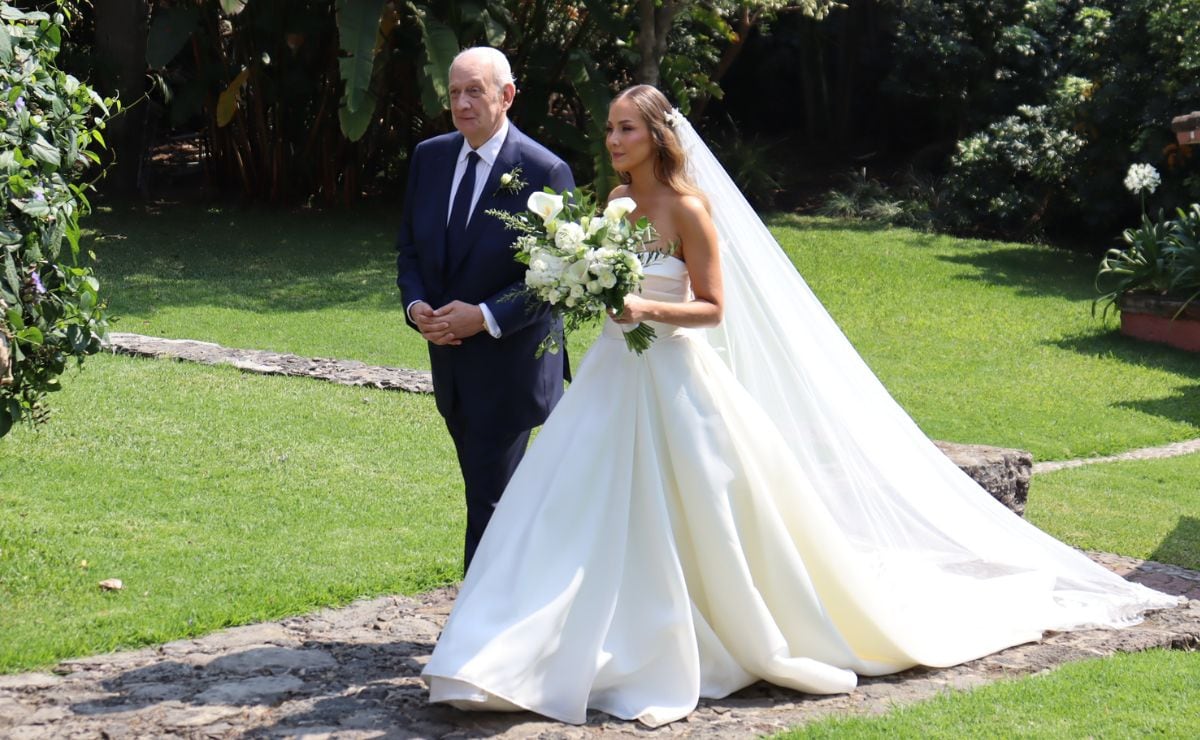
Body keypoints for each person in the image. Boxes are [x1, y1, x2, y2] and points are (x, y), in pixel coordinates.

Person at [420, 85, 1180, 727]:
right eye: (610, 128)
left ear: (656, 135)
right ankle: (543, 631)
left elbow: (714, 308)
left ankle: (701, 629)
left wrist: (642, 310)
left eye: (625, 128)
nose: (612, 139)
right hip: (615, 375)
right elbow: (599, 286)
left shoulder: (689, 209)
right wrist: (593, 292)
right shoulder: (616, 204)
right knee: (572, 501)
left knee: (702, 509)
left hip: (674, 374)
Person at [396, 47, 575, 571]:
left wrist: (486, 316)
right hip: (451, 367)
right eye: (454, 92)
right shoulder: (429, 158)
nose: (462, 102)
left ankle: (476, 632)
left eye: (475, 90)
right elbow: (410, 248)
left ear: (507, 95)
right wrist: (417, 307)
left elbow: (555, 278)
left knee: (491, 504)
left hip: (511, 368)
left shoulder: (546, 170)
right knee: (489, 494)